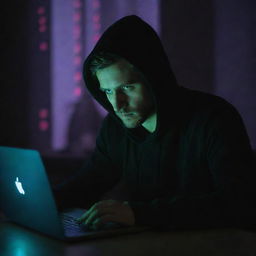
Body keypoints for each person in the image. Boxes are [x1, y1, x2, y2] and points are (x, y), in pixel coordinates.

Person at [53, 15, 256, 231]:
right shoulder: (115, 128)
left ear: (154, 78)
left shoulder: (214, 118)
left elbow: (238, 203)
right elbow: (88, 182)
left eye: (127, 87)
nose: (116, 104)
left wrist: (139, 213)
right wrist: (40, 204)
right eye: (108, 91)